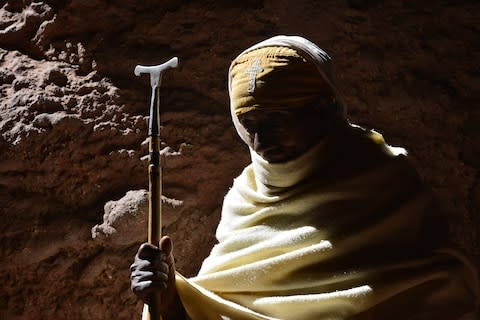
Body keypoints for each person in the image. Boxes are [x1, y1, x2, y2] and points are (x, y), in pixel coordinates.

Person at [130, 35, 479, 319]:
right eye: (249, 124)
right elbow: (223, 310)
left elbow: (437, 291)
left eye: (277, 120)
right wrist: (170, 298)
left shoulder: (384, 182)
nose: (260, 140)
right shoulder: (246, 197)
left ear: (323, 110)